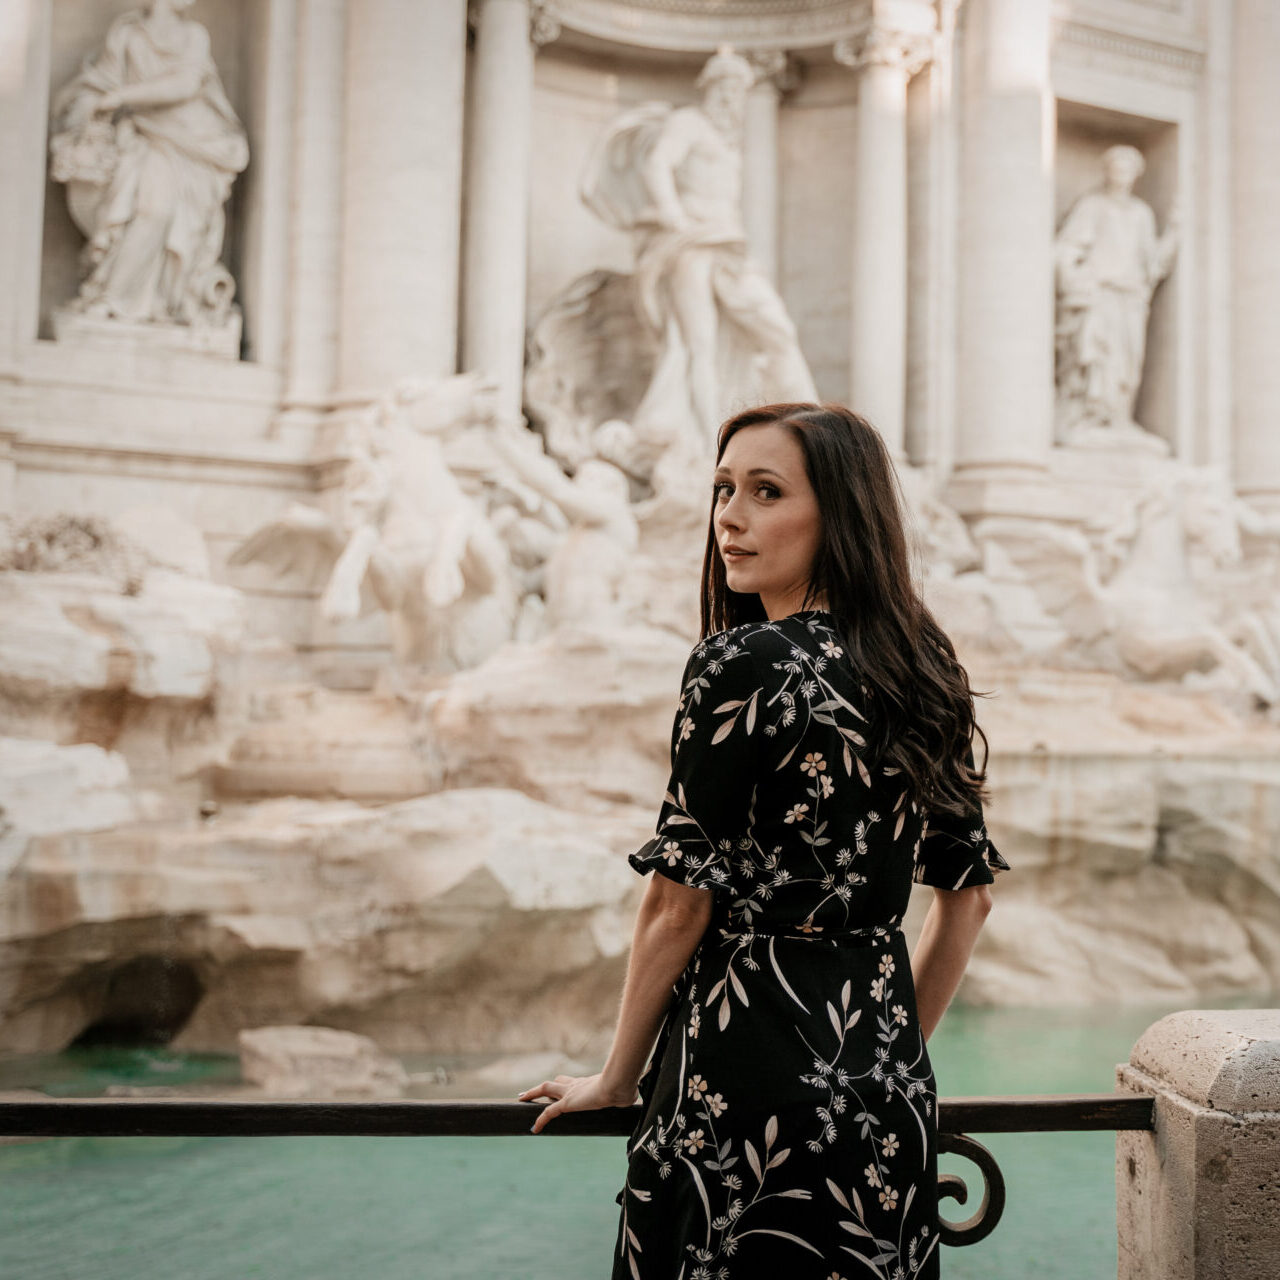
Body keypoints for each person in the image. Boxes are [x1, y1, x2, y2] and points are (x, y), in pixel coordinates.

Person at [519, 403, 1010, 1277]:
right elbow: (965, 900)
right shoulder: (926, 664)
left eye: (766, 491)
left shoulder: (740, 664)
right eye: (723, 490)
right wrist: (885, 1056)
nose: (730, 518)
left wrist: (615, 1079)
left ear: (839, 515)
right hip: (882, 1097)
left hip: (738, 1088)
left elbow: (676, 903)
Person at [580, 47, 818, 453]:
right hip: (690, 243)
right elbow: (657, 164)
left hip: (729, 245)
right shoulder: (688, 122)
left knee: (776, 329)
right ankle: (713, 443)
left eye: (738, 89)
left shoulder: (728, 141)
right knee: (698, 345)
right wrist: (675, 218)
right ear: (709, 87)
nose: (732, 97)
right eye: (725, 87)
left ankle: (818, 435)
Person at [49, 0, 249, 328]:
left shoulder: (193, 35)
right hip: (142, 136)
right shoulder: (127, 33)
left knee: (157, 211)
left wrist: (122, 97)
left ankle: (136, 300)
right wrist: (88, 107)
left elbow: (185, 84)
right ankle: (117, 298)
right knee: (145, 209)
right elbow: (100, 81)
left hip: (189, 138)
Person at [1054, 144, 1179, 444]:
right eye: (1115, 168)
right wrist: (1073, 276)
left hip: (1131, 297)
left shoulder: (1141, 214)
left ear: (1136, 175)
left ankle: (1119, 419)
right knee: (1095, 356)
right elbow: (1067, 248)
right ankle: (1089, 416)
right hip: (1100, 293)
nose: (1120, 175)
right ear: (1107, 172)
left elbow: (1153, 263)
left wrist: (1176, 230)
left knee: (1126, 362)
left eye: (1126, 169)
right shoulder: (1092, 206)